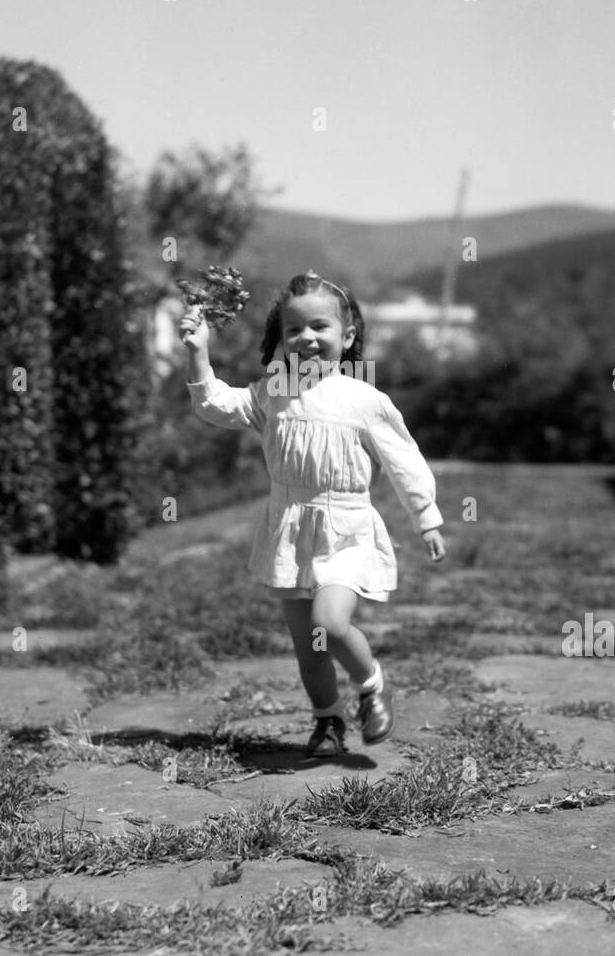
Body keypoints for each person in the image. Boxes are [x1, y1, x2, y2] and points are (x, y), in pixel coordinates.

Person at [179, 269, 446, 758]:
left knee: (330, 621)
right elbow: (215, 404)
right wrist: (198, 351)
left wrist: (426, 516)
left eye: (320, 327)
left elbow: (403, 460)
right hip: (290, 531)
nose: (307, 338)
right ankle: (328, 720)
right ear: (280, 340)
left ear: (347, 336)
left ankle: (372, 683)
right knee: (311, 648)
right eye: (293, 330)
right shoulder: (271, 395)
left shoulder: (364, 400)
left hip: (345, 531)